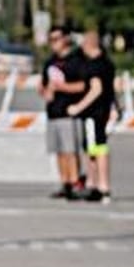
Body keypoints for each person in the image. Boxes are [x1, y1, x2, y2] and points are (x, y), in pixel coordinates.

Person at [67, 31, 117, 203]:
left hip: (93, 113)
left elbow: (96, 89)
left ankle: (98, 184)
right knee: (96, 147)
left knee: (94, 148)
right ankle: (96, 183)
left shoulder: (94, 65)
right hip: (102, 111)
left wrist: (77, 107)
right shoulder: (107, 63)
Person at [40, 26, 89, 200]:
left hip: (70, 111)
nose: (54, 43)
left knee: (70, 150)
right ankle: (65, 182)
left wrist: (62, 87)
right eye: (51, 40)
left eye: (57, 39)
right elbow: (43, 85)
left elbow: (83, 85)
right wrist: (46, 92)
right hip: (53, 112)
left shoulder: (76, 60)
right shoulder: (50, 62)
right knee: (59, 151)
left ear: (65, 39)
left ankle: (76, 182)